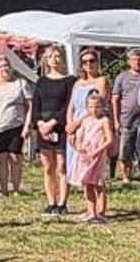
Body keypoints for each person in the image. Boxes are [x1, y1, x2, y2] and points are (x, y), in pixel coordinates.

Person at [33, 46, 76, 217]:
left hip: (60, 126)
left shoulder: (70, 80)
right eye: (50, 56)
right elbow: (35, 104)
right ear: (46, 60)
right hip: (43, 128)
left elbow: (69, 105)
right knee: (48, 167)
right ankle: (51, 201)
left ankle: (62, 202)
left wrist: (53, 122)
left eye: (58, 56)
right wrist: (40, 124)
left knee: (62, 166)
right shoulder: (41, 81)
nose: (54, 59)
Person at [0, 57, 32, 196]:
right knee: (1, 159)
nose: (4, 69)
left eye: (6, 65)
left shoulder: (20, 83)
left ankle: (16, 188)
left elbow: (30, 105)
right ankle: (3, 189)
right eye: (0, 67)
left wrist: (28, 125)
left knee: (15, 158)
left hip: (16, 125)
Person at [67, 51, 110, 202]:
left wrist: (77, 123)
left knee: (94, 172)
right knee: (81, 169)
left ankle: (99, 208)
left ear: (97, 62)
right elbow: (71, 106)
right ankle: (89, 207)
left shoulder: (101, 81)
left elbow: (97, 106)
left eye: (91, 61)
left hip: (91, 126)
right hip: (76, 127)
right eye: (84, 62)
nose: (88, 65)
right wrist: (70, 126)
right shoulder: (78, 83)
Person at [74, 91, 115, 223]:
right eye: (91, 107)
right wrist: (79, 147)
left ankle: (101, 212)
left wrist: (97, 151)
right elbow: (80, 137)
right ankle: (91, 211)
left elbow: (109, 139)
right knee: (87, 183)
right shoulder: (85, 121)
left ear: (102, 107)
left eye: (97, 106)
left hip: (98, 156)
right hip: (86, 156)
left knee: (98, 183)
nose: (94, 110)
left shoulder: (104, 121)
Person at [113, 50, 140, 183]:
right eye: (134, 60)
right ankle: (126, 177)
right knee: (125, 149)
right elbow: (115, 98)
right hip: (126, 117)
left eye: (139, 59)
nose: (137, 62)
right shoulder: (122, 77)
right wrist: (116, 120)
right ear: (128, 61)